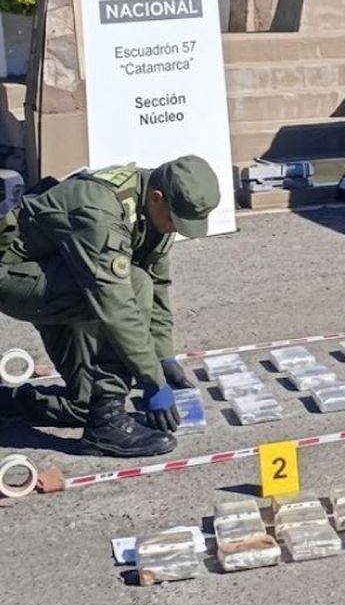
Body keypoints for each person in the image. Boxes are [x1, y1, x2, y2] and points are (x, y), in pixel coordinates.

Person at [0, 155, 220, 457]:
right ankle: (106, 427)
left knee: (84, 404)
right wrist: (152, 380)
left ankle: (12, 401)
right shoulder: (100, 210)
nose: (174, 230)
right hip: (14, 275)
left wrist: (164, 356)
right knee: (133, 284)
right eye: (174, 220)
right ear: (157, 198)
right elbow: (117, 306)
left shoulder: (152, 208)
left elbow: (158, 287)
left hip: (62, 272)